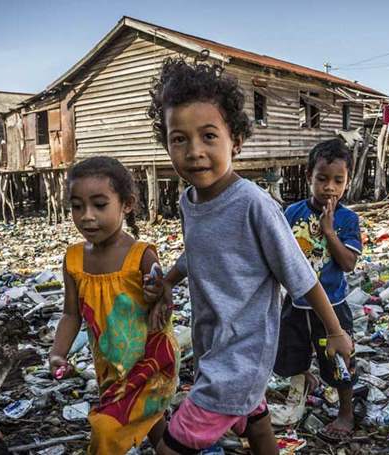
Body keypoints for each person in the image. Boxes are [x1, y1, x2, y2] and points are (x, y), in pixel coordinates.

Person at [146, 58, 354, 455]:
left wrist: (336, 332)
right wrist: (167, 283)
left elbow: (300, 275)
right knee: (256, 423)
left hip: (240, 355)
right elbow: (198, 255)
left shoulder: (253, 205)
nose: (194, 152)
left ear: (235, 142)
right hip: (215, 346)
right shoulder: (189, 201)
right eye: (179, 139)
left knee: (171, 448)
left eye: (209, 136)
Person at [49, 156, 178, 454]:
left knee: (107, 430)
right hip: (110, 366)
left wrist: (158, 294)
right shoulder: (74, 260)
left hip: (151, 363)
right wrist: (57, 352)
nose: (86, 216)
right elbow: (71, 314)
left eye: (99, 205)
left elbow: (164, 303)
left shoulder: (142, 256)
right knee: (150, 421)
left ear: (127, 204)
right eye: (77, 206)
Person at [274, 138, 362, 444]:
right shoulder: (292, 212)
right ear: (309, 176)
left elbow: (349, 263)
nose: (329, 188)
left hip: (333, 307)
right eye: (322, 179)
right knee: (288, 354)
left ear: (347, 181)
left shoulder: (348, 219)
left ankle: (346, 412)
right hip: (296, 304)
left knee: (339, 360)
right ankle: (303, 380)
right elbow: (279, 252)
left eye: (338, 181)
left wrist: (328, 232)